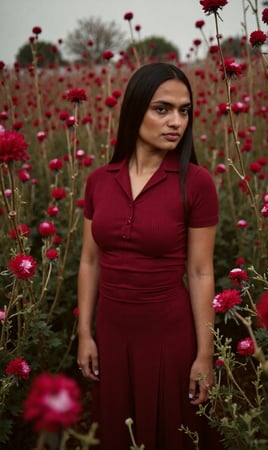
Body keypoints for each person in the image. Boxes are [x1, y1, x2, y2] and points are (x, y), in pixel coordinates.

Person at [77, 62, 223, 449]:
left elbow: (200, 271)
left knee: (171, 432)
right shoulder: (100, 181)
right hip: (111, 333)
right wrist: (84, 333)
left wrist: (205, 355)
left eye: (184, 110)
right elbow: (90, 261)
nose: (176, 121)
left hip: (169, 334)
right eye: (162, 109)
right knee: (117, 432)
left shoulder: (196, 182)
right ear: (135, 110)